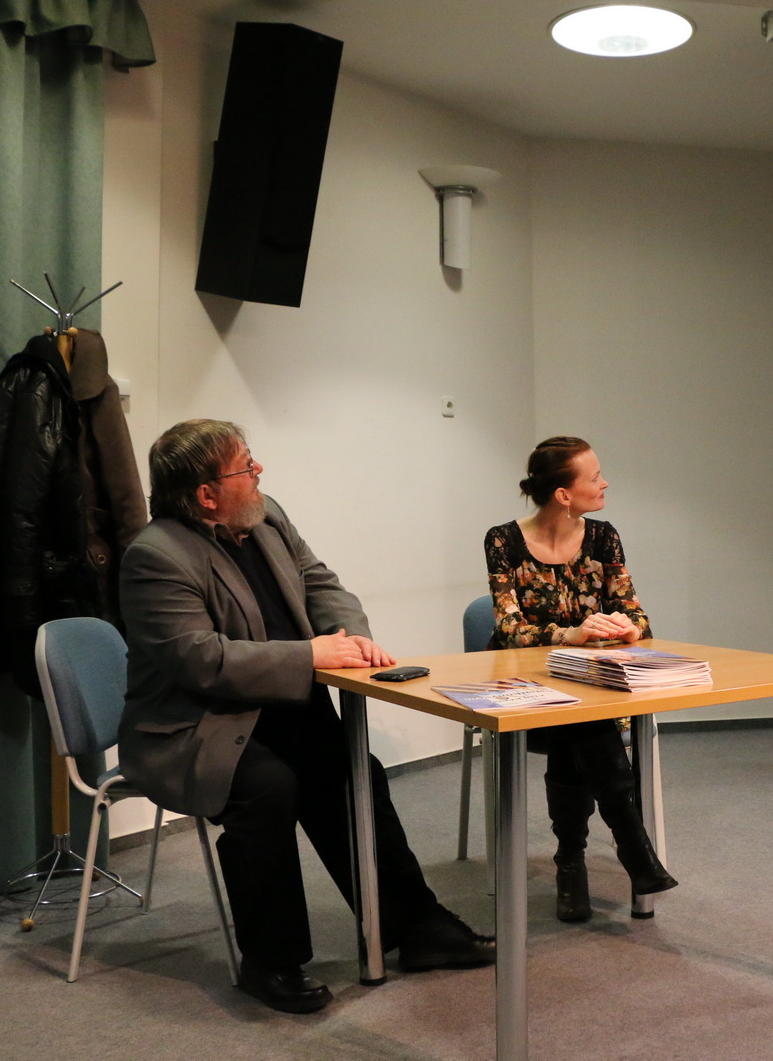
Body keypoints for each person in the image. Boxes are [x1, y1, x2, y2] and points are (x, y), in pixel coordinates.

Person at [118, 419, 495, 1015]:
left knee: (354, 772)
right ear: (206, 494)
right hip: (197, 726)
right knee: (269, 787)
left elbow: (322, 584)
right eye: (245, 467)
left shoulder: (266, 515)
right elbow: (201, 660)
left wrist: (351, 636)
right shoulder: (155, 556)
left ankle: (416, 927)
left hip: (278, 709)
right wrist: (311, 655)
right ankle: (271, 960)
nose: (259, 472)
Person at [483, 437, 677, 924]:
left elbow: (636, 612)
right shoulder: (503, 541)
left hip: (589, 681)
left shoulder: (604, 537)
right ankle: (630, 849)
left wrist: (629, 626)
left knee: (578, 719)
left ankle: (571, 861)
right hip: (522, 684)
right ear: (563, 494)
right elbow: (509, 630)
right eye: (594, 477)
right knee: (580, 722)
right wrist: (569, 634)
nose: (605, 483)